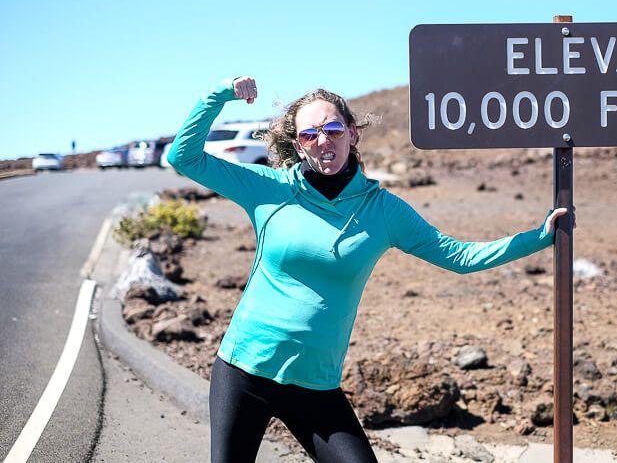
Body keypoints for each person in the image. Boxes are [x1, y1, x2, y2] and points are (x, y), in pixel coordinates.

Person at [167, 76, 577, 463]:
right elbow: (181, 157)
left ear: (352, 133)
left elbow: (459, 257)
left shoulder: (383, 211)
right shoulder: (268, 188)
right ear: (298, 143)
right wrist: (219, 95)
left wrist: (538, 237)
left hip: (316, 385)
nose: (322, 141)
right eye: (309, 134)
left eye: (332, 129)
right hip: (244, 371)